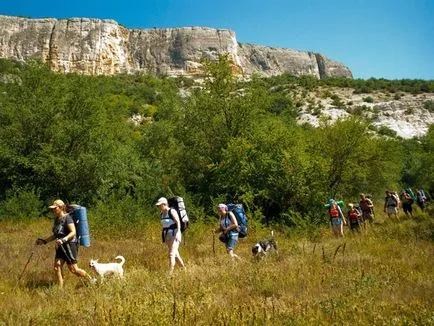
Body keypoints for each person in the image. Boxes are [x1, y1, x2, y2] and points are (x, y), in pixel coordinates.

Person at [36, 199, 94, 288]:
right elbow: (56, 235)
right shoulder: (57, 219)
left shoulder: (68, 218)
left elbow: (73, 232)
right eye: (52, 209)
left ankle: (91, 280)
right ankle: (60, 289)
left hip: (69, 246)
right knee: (57, 266)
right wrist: (44, 241)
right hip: (60, 246)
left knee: (74, 269)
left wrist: (63, 240)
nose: (53, 210)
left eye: (55, 208)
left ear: (61, 208)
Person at [156, 197, 185, 273]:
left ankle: (170, 274)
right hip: (167, 235)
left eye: (160, 205)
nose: (159, 207)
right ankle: (184, 269)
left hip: (175, 234)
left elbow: (178, 222)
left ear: (164, 204)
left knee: (171, 254)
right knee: (175, 254)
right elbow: (164, 225)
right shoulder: (161, 214)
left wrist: (178, 232)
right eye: (158, 205)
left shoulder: (172, 211)